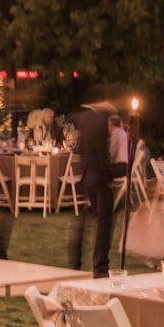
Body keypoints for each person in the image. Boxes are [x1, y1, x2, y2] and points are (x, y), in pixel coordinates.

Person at [69, 92, 118, 277]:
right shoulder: (99, 122)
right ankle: (100, 266)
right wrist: (109, 175)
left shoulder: (84, 119)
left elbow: (81, 149)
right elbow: (102, 153)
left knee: (83, 222)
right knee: (104, 223)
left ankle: (75, 261)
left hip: (86, 175)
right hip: (99, 178)